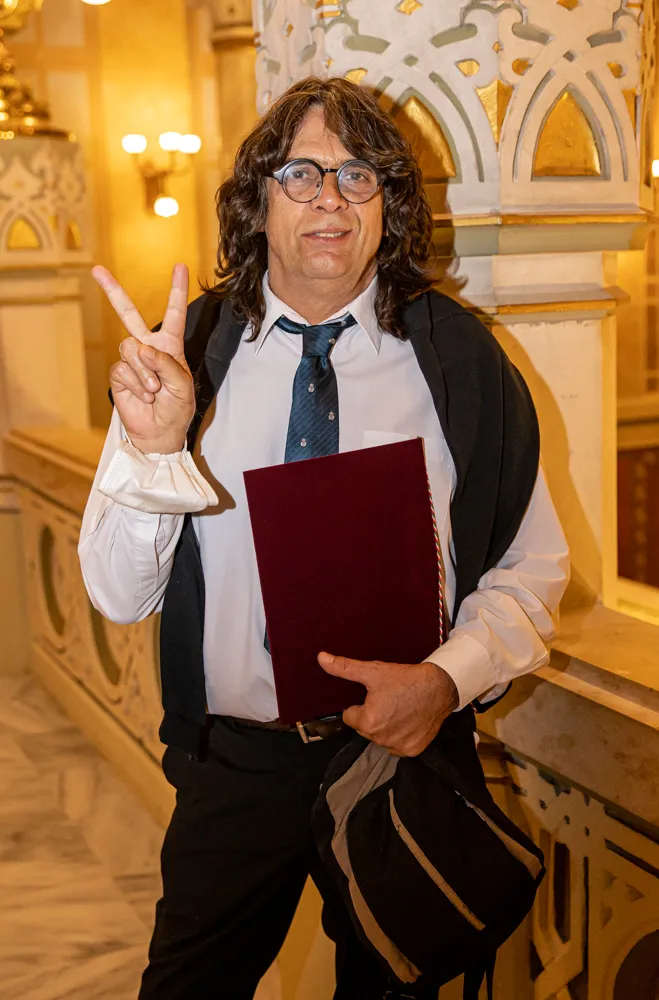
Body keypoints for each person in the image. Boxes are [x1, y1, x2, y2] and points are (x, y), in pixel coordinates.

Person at [79, 77, 569, 999]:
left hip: (400, 761)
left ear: (389, 205)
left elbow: (529, 568)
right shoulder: (187, 356)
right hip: (235, 765)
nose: (331, 200)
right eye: (300, 173)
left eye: (359, 175)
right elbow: (117, 595)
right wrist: (152, 452)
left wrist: (444, 682)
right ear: (256, 200)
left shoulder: (460, 361)